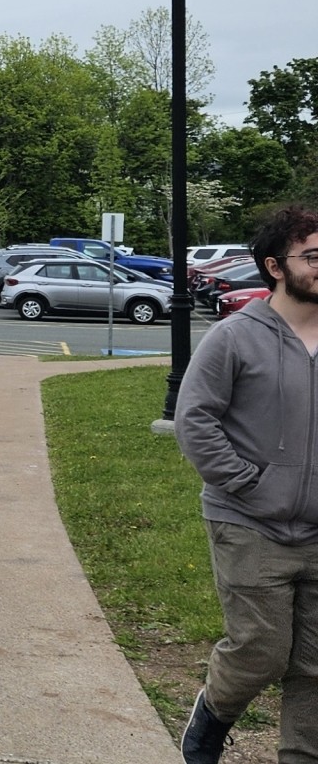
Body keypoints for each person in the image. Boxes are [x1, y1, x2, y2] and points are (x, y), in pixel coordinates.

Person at [176, 204, 318, 763]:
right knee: (260, 649)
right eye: (312, 256)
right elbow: (196, 419)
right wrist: (248, 484)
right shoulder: (235, 336)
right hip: (250, 521)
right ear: (275, 266)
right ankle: (212, 714)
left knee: (315, 662)